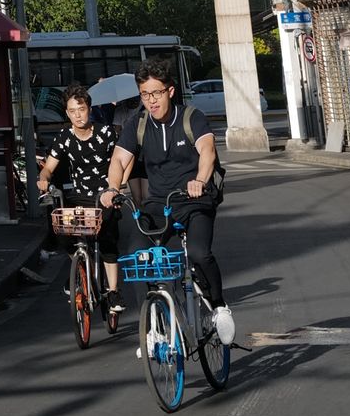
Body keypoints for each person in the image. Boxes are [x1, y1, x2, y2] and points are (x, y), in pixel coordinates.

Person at [108, 63, 235, 347]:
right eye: (144, 94)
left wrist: (200, 180)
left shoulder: (192, 117)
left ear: (170, 91)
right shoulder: (138, 124)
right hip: (158, 202)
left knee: (199, 253)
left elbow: (207, 151)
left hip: (195, 199)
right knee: (137, 255)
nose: (151, 100)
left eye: (156, 93)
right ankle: (153, 327)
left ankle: (219, 306)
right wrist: (112, 188)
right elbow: (118, 159)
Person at [35, 80, 123, 324]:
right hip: (78, 197)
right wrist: (43, 179)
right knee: (62, 231)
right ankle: (79, 268)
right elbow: (49, 167)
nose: (77, 115)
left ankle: (113, 292)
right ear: (67, 113)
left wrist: (116, 188)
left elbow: (120, 161)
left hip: (104, 195)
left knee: (107, 238)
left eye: (81, 109)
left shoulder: (106, 133)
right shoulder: (64, 137)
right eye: (72, 111)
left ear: (89, 109)